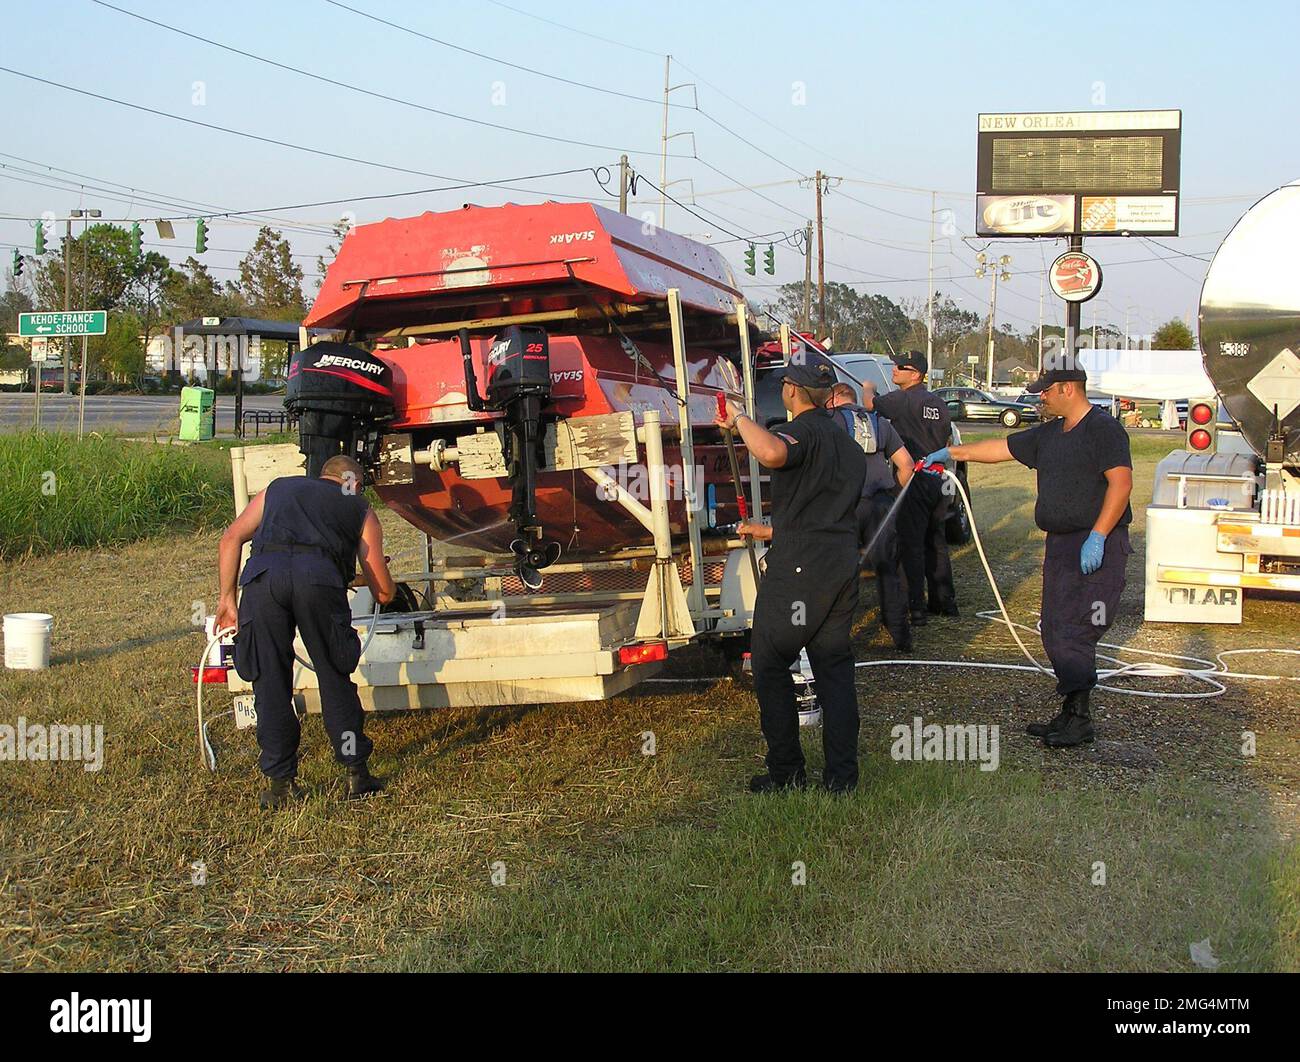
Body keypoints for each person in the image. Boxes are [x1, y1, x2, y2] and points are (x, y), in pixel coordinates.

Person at [924, 366, 1133, 748]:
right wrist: (951, 452)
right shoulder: (1050, 434)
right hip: (1060, 545)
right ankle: (1070, 710)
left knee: (1079, 628)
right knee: (1054, 627)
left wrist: (1099, 536)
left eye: (1046, 391)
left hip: (1094, 543)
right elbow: (1001, 449)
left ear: (1068, 389)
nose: (1041, 397)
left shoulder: (1103, 429)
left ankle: (1081, 718)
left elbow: (1121, 483)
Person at [716, 360, 867, 793]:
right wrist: (768, 530)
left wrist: (740, 418)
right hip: (840, 563)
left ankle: (786, 773)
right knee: (835, 671)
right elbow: (820, 513)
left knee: (769, 662)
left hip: (801, 567)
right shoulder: (850, 447)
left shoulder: (802, 431)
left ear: (792, 391)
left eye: (784, 384)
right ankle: (842, 779)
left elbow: (772, 453)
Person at [215, 455, 397, 808]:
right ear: (354, 482)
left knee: (269, 680)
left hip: (263, 583)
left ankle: (281, 783)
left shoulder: (278, 488)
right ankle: (355, 773)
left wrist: (226, 598)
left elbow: (230, 539)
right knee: (333, 676)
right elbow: (385, 593)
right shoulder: (359, 508)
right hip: (319, 583)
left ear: (322, 475)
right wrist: (367, 576)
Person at [863, 351, 958, 625]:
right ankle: (944, 601)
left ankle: (915, 608)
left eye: (900, 367)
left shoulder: (903, 399)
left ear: (915, 374)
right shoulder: (938, 403)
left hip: (912, 479)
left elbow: (870, 404)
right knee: (935, 540)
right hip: (937, 479)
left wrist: (868, 387)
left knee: (910, 544)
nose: (894, 370)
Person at [827, 381, 915, 650]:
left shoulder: (831, 421)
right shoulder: (879, 422)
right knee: (888, 569)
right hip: (881, 504)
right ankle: (900, 634)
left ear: (832, 399)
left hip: (847, 506)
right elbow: (907, 466)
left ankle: (838, 638)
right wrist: (895, 498)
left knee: (841, 572)